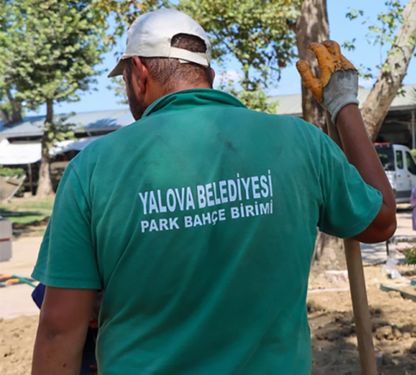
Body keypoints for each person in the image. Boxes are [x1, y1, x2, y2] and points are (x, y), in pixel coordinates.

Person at [31, 9, 396, 374]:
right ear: (210, 77)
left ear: (139, 73)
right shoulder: (301, 143)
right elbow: (380, 222)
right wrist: (343, 105)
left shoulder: (92, 168)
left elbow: (59, 330)